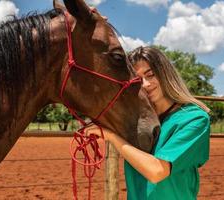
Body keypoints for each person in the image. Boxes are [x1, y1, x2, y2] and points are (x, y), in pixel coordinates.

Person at [84, 46, 210, 200]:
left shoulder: (194, 119)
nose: (145, 84)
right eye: (137, 80)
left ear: (166, 74)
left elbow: (157, 171)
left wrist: (112, 137)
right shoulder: (134, 119)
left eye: (150, 75)